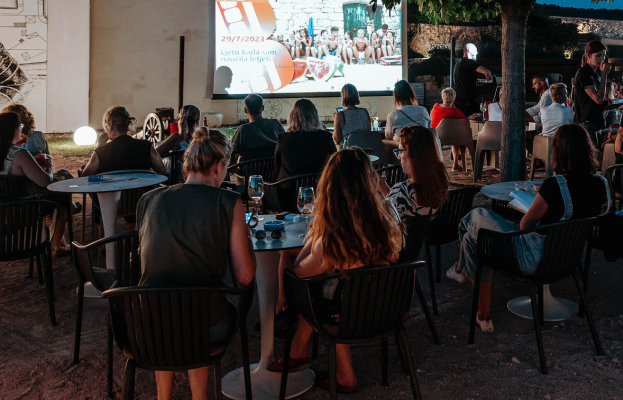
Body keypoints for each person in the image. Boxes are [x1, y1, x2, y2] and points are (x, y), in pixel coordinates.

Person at [447, 123, 604, 332]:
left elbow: (525, 225)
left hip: (532, 259)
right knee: (472, 240)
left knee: (475, 219)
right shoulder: (600, 184)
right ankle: (480, 314)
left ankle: (464, 277)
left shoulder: (554, 186)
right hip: (568, 258)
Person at [136, 127, 256, 400]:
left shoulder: (148, 200)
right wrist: (246, 238)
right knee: (199, 307)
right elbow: (246, 276)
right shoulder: (229, 202)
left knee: (169, 305)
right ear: (218, 166)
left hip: (146, 323)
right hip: (204, 325)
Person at [273, 148, 402, 393]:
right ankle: (300, 351)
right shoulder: (387, 218)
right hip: (388, 307)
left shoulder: (334, 237)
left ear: (330, 186)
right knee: (340, 285)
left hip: (349, 317)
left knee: (318, 287)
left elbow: (301, 273)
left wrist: (313, 234)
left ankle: (327, 366)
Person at [0, 111, 71, 254]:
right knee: (62, 196)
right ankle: (59, 243)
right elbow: (45, 181)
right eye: (20, 126)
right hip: (25, 209)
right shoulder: (19, 154)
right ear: (16, 129)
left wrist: (15, 143)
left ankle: (59, 240)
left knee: (62, 186)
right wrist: (49, 166)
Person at [382, 125, 449, 218]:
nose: (398, 156)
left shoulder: (402, 193)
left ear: (413, 156)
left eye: (401, 152)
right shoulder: (441, 186)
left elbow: (381, 224)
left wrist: (383, 196)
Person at [81, 106, 166, 176]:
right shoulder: (146, 146)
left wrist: (100, 146)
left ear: (111, 125)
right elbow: (162, 171)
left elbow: (84, 176)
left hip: (113, 196)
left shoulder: (101, 152)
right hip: (142, 195)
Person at [274, 99, 338, 180]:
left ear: (293, 116)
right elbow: (334, 162)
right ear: (315, 116)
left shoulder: (283, 138)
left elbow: (277, 167)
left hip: (289, 189)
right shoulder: (326, 136)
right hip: (319, 187)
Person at [229, 94, 285, 163]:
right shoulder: (276, 124)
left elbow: (230, 152)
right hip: (273, 171)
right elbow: (285, 146)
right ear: (263, 108)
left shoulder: (243, 130)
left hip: (249, 172)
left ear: (245, 110)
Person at [572, 39, 610, 136]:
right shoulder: (584, 73)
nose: (601, 59)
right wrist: (604, 75)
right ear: (588, 55)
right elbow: (598, 99)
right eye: (598, 56)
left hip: (595, 121)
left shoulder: (596, 74)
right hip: (586, 123)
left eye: (603, 56)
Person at [430, 87, 469, 171]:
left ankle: (454, 164)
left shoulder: (435, 107)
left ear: (442, 97)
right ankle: (455, 163)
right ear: (454, 100)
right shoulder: (455, 111)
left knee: (454, 136)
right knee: (456, 137)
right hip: (448, 137)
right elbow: (466, 122)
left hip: (434, 136)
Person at [452, 43, 493, 117]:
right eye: (475, 50)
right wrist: (490, 77)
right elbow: (486, 72)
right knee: (475, 122)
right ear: (469, 51)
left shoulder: (458, 63)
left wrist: (476, 82)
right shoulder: (469, 62)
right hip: (468, 100)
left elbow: (464, 79)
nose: (477, 53)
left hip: (459, 100)